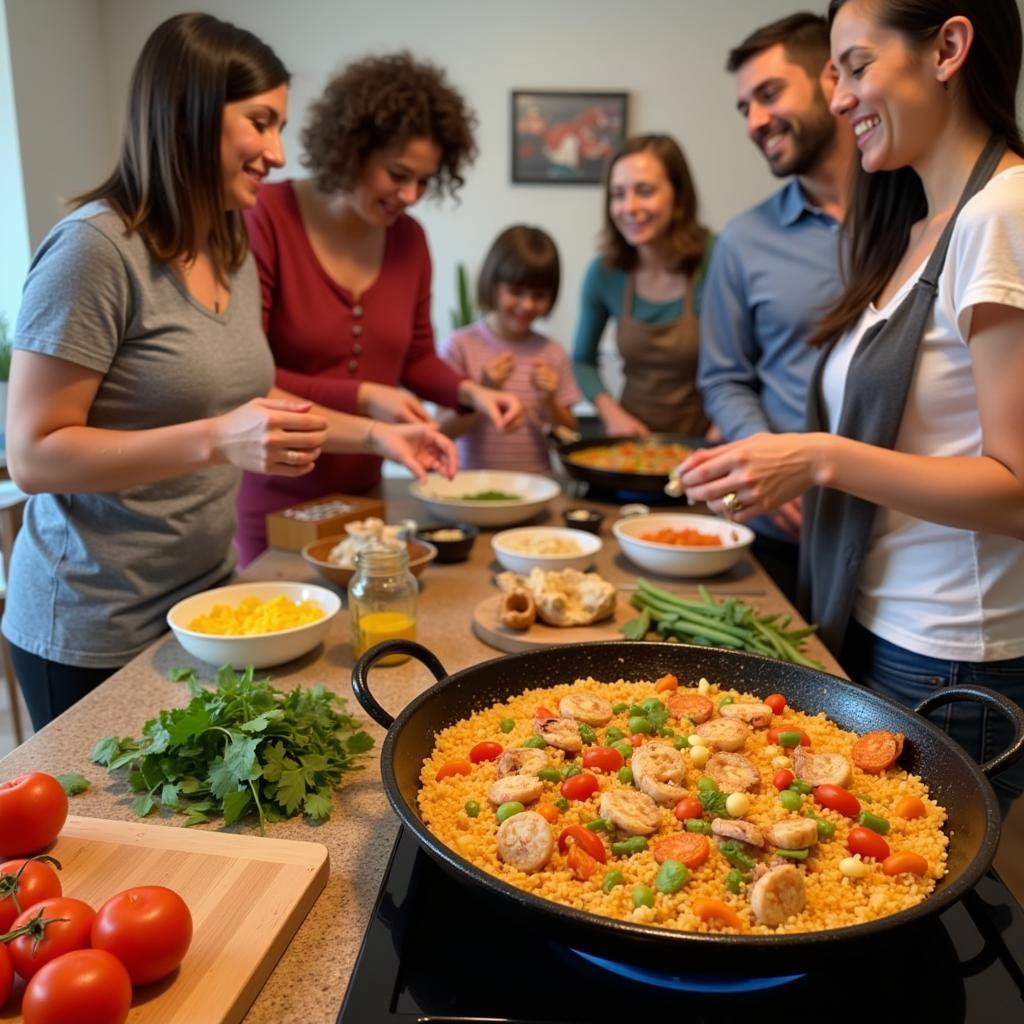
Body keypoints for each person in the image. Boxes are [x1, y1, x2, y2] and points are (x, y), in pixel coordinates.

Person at [1, 14, 456, 730]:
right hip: (93, 623)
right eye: (261, 122)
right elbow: (31, 455)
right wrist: (216, 439)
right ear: (189, 114)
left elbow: (248, 398)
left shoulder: (227, 242)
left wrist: (374, 437)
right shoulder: (94, 250)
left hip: (209, 597)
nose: (277, 152)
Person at [681, 0, 1024, 815]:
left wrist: (820, 457)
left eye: (858, 67)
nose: (839, 100)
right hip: (878, 627)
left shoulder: (1004, 213)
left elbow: (1016, 487)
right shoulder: (915, 224)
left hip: (951, 652)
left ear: (948, 48)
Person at [235, 52, 521, 565]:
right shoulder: (266, 220)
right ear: (352, 150)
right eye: (397, 174)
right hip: (276, 499)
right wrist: (366, 396)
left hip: (365, 496)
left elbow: (415, 357)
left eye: (425, 181)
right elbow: (249, 380)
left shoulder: (410, 241)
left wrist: (470, 391)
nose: (410, 195)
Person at [697, 13, 856, 602]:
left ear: (833, 78)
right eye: (745, 108)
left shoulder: (917, 220)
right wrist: (769, 471)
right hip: (779, 533)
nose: (755, 121)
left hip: (898, 537)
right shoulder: (743, 240)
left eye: (769, 94)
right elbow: (723, 377)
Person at [571, 134, 714, 438]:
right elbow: (582, 360)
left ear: (678, 195)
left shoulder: (718, 259)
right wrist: (612, 415)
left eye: (645, 191)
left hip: (706, 446)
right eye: (618, 194)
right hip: (633, 445)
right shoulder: (603, 273)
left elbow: (754, 359)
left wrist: (727, 425)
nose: (629, 207)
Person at [438, 225, 580, 474]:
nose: (527, 305)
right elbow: (442, 431)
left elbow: (569, 432)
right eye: (516, 291)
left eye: (539, 295)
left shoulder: (553, 352)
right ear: (493, 285)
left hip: (535, 487)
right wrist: (483, 392)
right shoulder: (460, 346)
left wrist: (549, 401)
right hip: (468, 489)